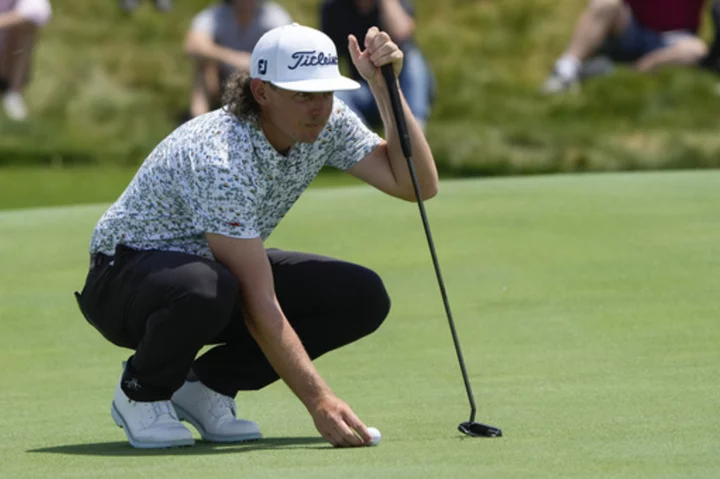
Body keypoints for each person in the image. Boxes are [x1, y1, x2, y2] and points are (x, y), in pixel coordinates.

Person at [74, 23, 438, 449]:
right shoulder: (221, 157)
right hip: (123, 281)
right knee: (211, 287)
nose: (319, 107)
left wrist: (385, 87)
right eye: (304, 94)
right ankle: (141, 392)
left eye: (326, 93)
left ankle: (206, 387)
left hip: (210, 272)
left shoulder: (328, 121)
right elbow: (258, 299)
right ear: (262, 92)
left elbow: (416, 185)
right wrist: (319, 400)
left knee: (360, 295)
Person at [543, 0, 710, 93]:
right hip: (635, 28)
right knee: (604, 4)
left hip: (677, 39)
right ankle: (565, 69)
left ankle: (621, 73)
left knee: (697, 50)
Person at [320, 0, 433, 129]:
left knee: (413, 59)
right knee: (337, 94)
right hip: (366, 90)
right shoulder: (333, 7)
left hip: (404, 86)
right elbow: (327, 55)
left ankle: (415, 128)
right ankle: (362, 138)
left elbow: (401, 33)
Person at [184, 0, 292, 118]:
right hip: (222, 79)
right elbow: (193, 45)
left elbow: (288, 51)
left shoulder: (274, 16)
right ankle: (198, 119)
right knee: (204, 65)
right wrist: (234, 58)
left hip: (260, 76)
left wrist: (254, 63)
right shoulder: (216, 15)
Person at [0, 0, 51, 120]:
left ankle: (12, 91)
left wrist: (4, 21)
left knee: (26, 26)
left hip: (7, 35)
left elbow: (38, 10)